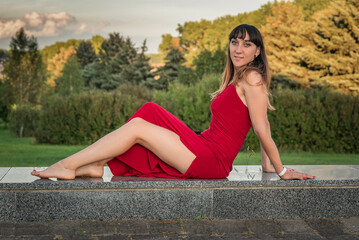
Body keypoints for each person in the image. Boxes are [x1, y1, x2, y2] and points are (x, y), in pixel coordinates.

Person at [31, 24, 314, 181]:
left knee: (138, 128)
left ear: (257, 51)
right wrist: (267, 167)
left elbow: (262, 128)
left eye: (247, 44)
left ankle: (68, 165)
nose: (238, 49)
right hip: (203, 144)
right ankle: (96, 165)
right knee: (149, 110)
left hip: (211, 160)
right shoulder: (238, 78)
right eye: (234, 42)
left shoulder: (252, 78)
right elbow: (259, 125)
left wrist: (281, 170)